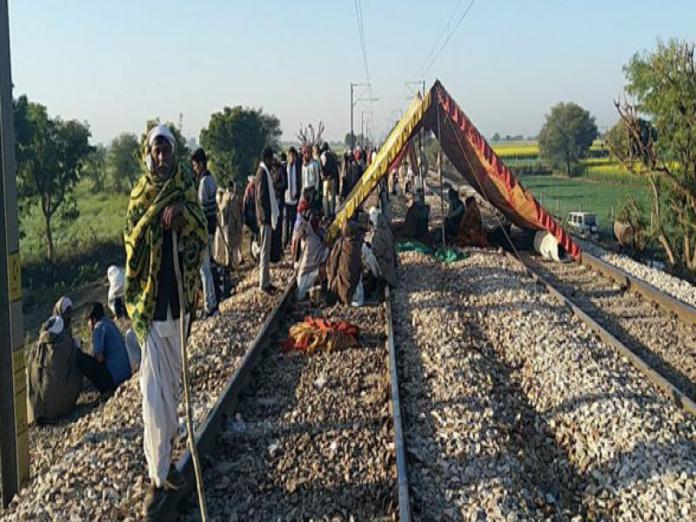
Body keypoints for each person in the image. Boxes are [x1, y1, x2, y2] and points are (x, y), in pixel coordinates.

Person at [124, 124, 207, 517]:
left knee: (172, 393)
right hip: (152, 308)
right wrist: (158, 225)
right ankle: (157, 474)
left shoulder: (185, 189)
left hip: (178, 307)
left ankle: (168, 461)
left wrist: (183, 218)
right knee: (153, 397)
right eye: (156, 149)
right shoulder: (140, 196)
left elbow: (201, 232)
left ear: (174, 152)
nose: (161, 155)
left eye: (166, 149)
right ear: (149, 152)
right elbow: (131, 244)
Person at [27, 316, 82, 424]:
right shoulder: (69, 344)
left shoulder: (37, 348)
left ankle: (35, 410)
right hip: (67, 404)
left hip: (46, 409)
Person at [76, 302, 131, 394]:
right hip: (126, 374)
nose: (88, 325)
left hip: (114, 380)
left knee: (80, 358)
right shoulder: (109, 323)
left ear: (93, 319)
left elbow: (100, 358)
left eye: (88, 321)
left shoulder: (98, 328)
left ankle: (105, 391)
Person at [191, 148, 219, 317]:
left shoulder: (203, 183)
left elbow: (200, 210)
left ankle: (210, 304)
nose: (194, 169)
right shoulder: (212, 179)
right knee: (208, 268)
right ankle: (212, 301)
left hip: (204, 230)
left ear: (200, 164)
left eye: (195, 166)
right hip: (211, 228)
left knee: (204, 270)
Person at [255, 146, 280, 293]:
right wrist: (266, 217)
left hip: (265, 219)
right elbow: (261, 197)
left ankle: (266, 280)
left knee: (266, 249)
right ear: (267, 159)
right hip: (265, 220)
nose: (272, 162)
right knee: (265, 251)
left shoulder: (263, 172)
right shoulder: (262, 174)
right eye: (271, 159)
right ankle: (263, 284)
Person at [213, 181, 243, 297]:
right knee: (228, 261)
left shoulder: (221, 198)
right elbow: (236, 217)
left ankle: (224, 289)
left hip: (220, 232)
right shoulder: (233, 198)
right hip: (229, 232)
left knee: (223, 261)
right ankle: (226, 289)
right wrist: (239, 230)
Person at [327, 218, 365, 305]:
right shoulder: (359, 244)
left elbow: (331, 265)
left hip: (340, 290)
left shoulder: (340, 244)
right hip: (356, 293)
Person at [295, 206, 329, 300]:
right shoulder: (312, 234)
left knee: (300, 294)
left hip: (311, 269)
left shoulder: (309, 233)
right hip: (310, 269)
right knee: (300, 294)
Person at [368, 207, 398, 288]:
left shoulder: (380, 234)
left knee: (369, 260)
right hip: (390, 265)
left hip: (386, 270)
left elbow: (376, 251)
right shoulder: (386, 229)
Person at [284, 147, 302, 249]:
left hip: (295, 198)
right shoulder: (284, 167)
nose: (292, 158)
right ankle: (285, 241)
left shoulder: (298, 167)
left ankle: (292, 240)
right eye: (290, 156)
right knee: (286, 221)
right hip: (286, 198)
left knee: (294, 221)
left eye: (294, 156)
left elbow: (299, 181)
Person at [270, 155, 287, 262]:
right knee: (274, 226)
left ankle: (279, 250)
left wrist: (275, 186)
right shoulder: (271, 172)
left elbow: (285, 185)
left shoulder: (281, 170)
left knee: (279, 225)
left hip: (279, 199)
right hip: (273, 200)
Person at [320, 142, 339, 218]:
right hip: (333, 179)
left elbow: (322, 168)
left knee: (325, 197)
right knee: (332, 197)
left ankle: (326, 214)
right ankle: (332, 213)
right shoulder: (333, 155)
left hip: (326, 180)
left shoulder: (323, 156)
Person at [243, 174, 260, 260]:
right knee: (254, 235)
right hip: (252, 216)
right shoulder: (250, 189)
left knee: (253, 236)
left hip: (252, 216)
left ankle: (254, 253)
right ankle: (253, 254)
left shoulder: (249, 189)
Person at [301, 144, 320, 212]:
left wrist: (316, 189)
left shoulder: (314, 164)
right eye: (305, 153)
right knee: (306, 207)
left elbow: (317, 177)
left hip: (312, 188)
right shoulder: (303, 165)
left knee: (311, 208)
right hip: (306, 189)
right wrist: (302, 189)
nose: (307, 154)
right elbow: (303, 178)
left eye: (308, 152)